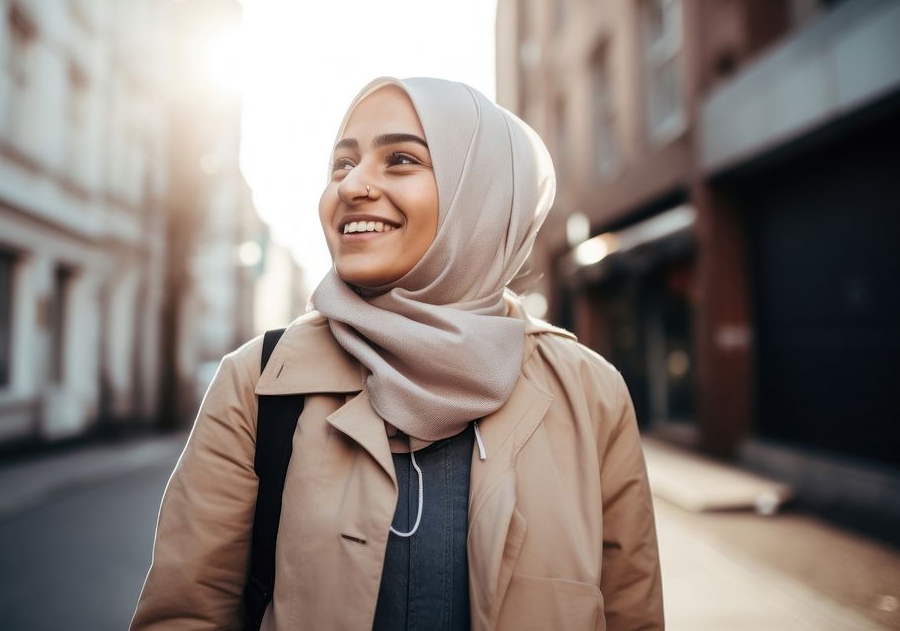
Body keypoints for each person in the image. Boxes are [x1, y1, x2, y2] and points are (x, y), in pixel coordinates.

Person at [131, 77, 663, 630]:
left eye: (401, 159)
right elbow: (185, 614)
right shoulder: (259, 380)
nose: (352, 185)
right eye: (341, 165)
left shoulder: (590, 393)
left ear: (477, 191)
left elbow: (633, 615)